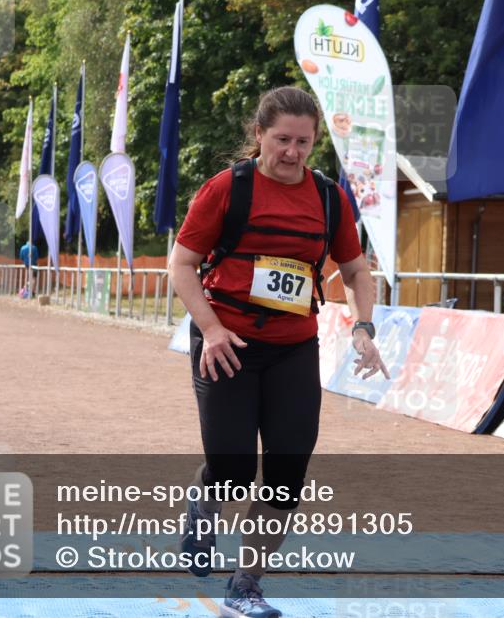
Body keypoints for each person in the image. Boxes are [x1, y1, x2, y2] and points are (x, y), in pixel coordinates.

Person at [168, 86, 388, 618]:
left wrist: (363, 327)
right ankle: (204, 501)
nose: (291, 152)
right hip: (229, 343)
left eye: (304, 142)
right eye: (282, 139)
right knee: (233, 470)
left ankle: (245, 584)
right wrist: (212, 329)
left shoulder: (329, 197)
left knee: (287, 473)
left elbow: (357, 271)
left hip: (293, 348)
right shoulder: (227, 189)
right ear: (259, 134)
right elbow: (181, 265)